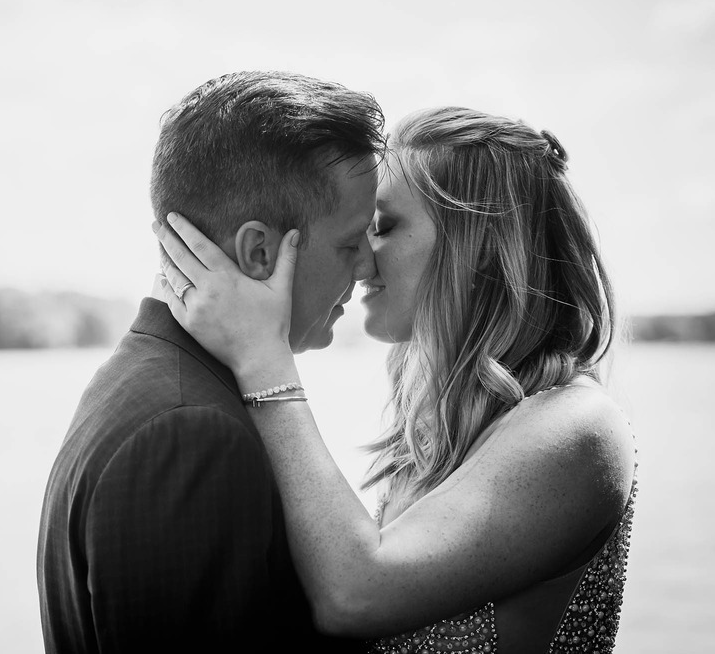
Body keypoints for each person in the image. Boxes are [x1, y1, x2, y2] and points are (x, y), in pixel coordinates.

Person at [154, 106, 638, 653]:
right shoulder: (441, 423)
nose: (361, 260)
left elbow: (355, 595)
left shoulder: (577, 427)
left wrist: (262, 360)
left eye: (382, 227)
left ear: (477, 243)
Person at [36, 71, 385, 652]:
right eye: (351, 244)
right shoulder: (189, 432)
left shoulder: (143, 381)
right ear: (258, 252)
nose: (368, 268)